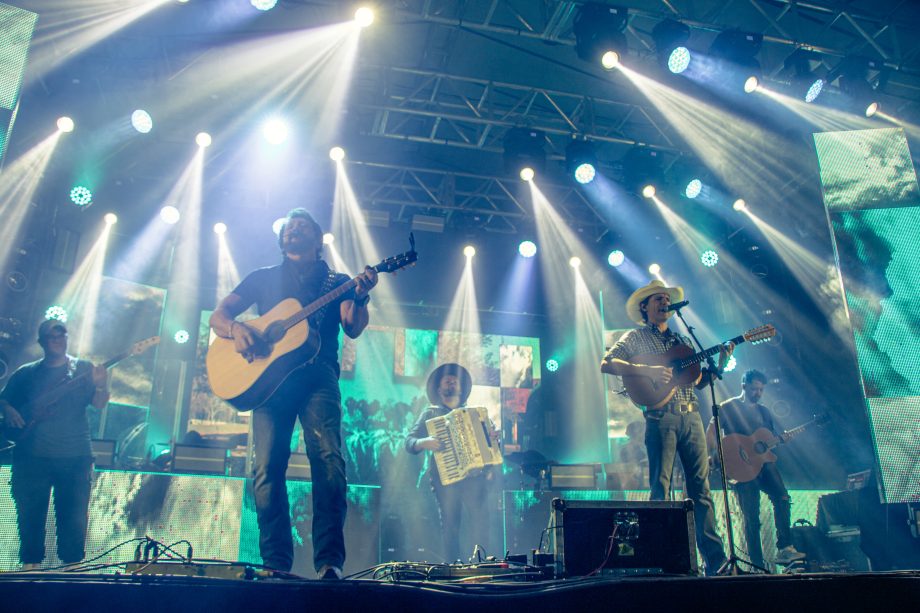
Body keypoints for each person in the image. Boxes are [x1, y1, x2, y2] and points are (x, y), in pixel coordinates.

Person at [209, 208, 378, 579]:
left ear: (318, 239)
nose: (293, 230)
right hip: (270, 382)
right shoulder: (262, 278)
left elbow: (353, 328)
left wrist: (361, 297)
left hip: (319, 377)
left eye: (302, 226)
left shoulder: (338, 281)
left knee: (329, 463)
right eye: (288, 227)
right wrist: (236, 329)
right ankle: (275, 564)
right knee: (266, 470)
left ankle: (330, 562)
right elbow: (218, 316)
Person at [600, 279, 731, 575]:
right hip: (661, 417)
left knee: (701, 490)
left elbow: (698, 382)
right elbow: (607, 363)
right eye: (657, 299)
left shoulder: (681, 344)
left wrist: (720, 363)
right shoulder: (635, 337)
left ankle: (716, 561)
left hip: (692, 416)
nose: (663, 302)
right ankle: (662, 555)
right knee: (661, 488)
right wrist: (645, 369)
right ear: (644, 307)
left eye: (666, 298)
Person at [0, 318, 109, 570]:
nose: (58, 340)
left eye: (62, 335)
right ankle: (30, 569)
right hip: (31, 458)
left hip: (74, 458)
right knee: (29, 516)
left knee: (73, 517)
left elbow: (100, 403)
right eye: (52, 336)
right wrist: (9, 410)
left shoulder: (82, 368)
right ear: (42, 342)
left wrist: (102, 383)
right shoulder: (27, 373)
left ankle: (71, 570)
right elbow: (4, 399)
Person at [709, 369, 806, 568]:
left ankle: (785, 548)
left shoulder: (764, 412)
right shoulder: (728, 407)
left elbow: (766, 439)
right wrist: (714, 454)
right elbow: (712, 430)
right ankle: (756, 564)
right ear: (743, 385)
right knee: (751, 517)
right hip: (741, 469)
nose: (758, 393)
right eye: (754, 389)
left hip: (763, 465)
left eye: (761, 389)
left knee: (783, 497)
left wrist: (781, 439)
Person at [405, 363, 498, 563]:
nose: (452, 382)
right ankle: (452, 569)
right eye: (447, 380)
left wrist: (493, 437)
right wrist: (424, 442)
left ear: (462, 388)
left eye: (455, 380)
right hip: (444, 479)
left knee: (480, 523)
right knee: (450, 525)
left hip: (475, 478)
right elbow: (409, 442)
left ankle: (482, 565)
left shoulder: (475, 414)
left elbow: (491, 445)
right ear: (439, 389)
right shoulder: (430, 413)